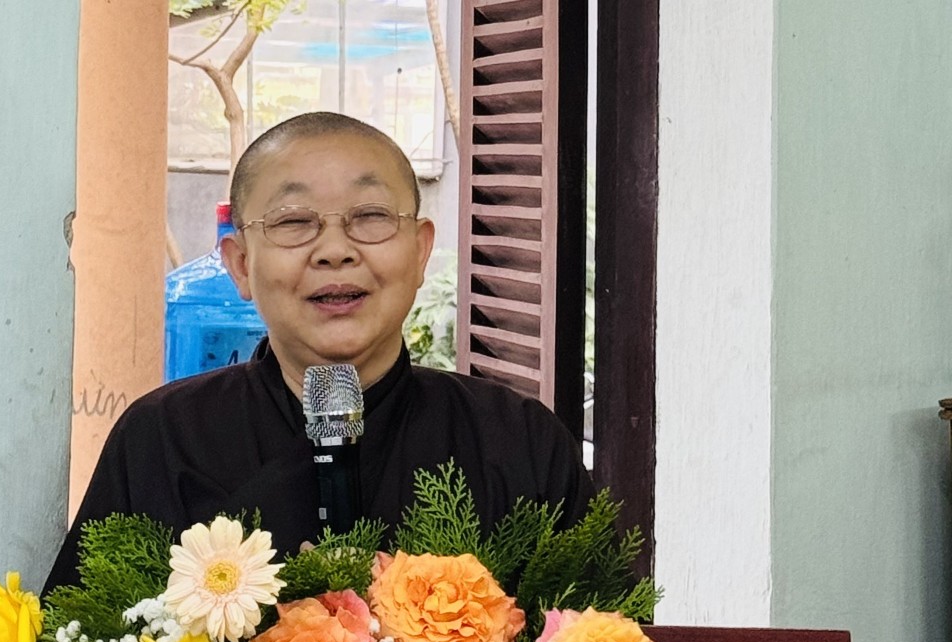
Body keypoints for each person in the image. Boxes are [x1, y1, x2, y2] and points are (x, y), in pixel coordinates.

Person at [43, 112, 593, 592]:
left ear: (421, 251)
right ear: (240, 265)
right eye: (294, 222)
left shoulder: (518, 442)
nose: (335, 250)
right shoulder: (164, 439)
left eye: (371, 217)